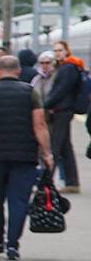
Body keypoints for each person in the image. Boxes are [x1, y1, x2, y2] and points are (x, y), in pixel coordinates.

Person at [0, 56, 54, 260]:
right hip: (24, 155)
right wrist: (47, 153)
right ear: (19, 71)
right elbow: (39, 125)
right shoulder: (30, 92)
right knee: (19, 200)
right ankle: (12, 244)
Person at [44, 40, 81, 193]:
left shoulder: (68, 68)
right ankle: (72, 182)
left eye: (60, 50)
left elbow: (60, 91)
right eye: (55, 50)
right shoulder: (67, 67)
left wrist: (45, 105)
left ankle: (46, 183)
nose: (57, 53)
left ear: (67, 51)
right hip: (63, 110)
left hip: (61, 111)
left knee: (54, 147)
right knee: (65, 147)